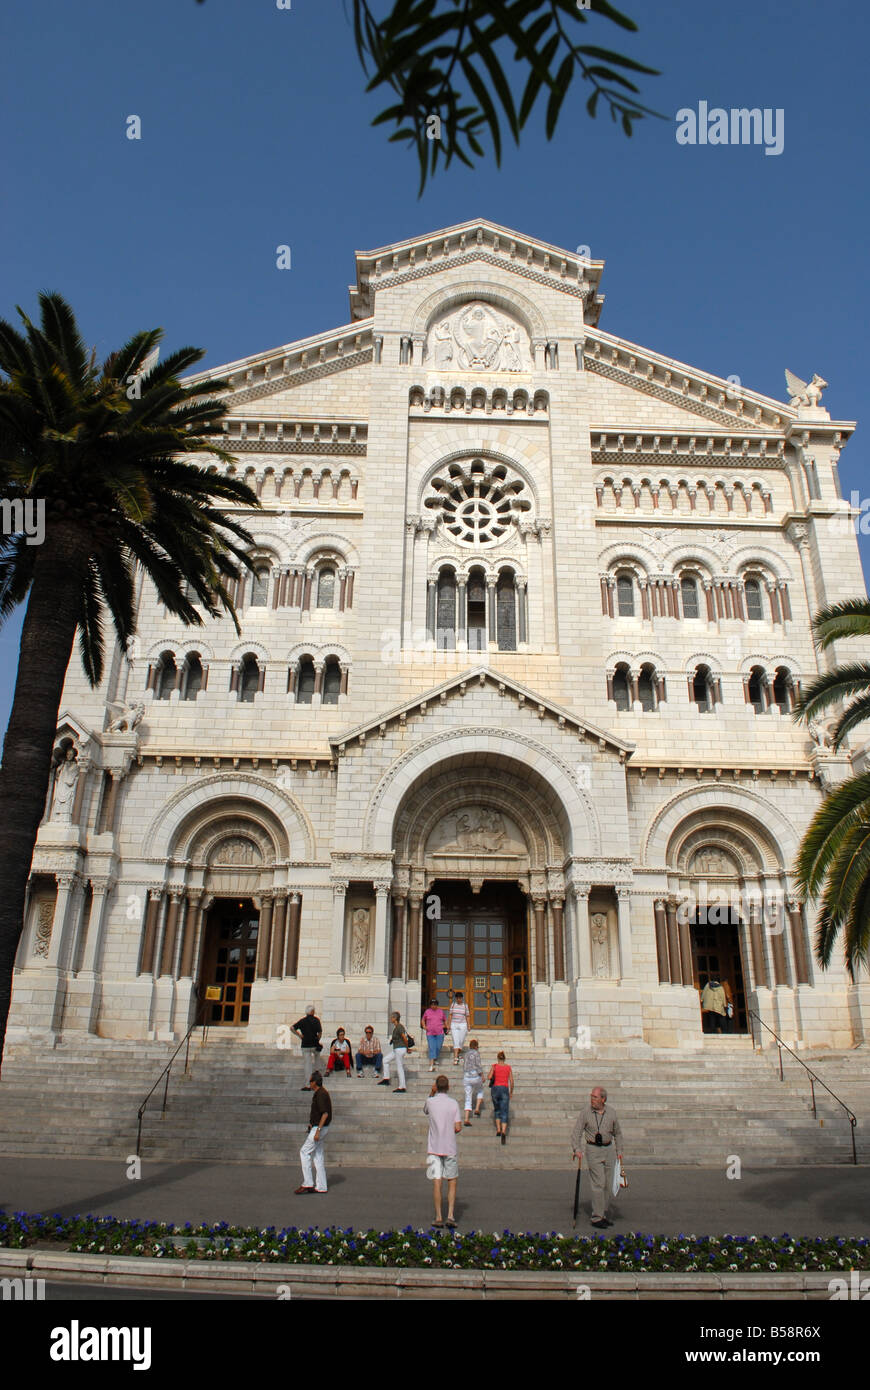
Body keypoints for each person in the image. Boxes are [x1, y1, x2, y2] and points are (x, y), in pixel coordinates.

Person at [571, 1085, 624, 1228]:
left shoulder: (611, 1113)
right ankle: (596, 1217)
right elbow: (576, 1132)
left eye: (595, 1097)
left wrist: (619, 1150)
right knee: (598, 1183)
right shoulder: (586, 1112)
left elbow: (618, 1133)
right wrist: (577, 1148)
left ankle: (602, 1213)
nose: (592, 1099)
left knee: (607, 1184)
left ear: (603, 1099)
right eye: (591, 1096)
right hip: (593, 1149)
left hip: (608, 1149)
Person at [423, 1074, 462, 1228]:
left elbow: (425, 1110)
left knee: (437, 1182)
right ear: (448, 1087)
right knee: (452, 1181)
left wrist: (431, 1092)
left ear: (436, 1086)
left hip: (434, 1147)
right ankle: (450, 1215)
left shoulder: (430, 1102)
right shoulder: (453, 1103)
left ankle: (439, 1216)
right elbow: (458, 1127)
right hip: (449, 1146)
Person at [295, 1070, 331, 1194]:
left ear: (315, 1082)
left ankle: (308, 1183)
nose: (309, 1083)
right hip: (320, 1127)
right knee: (318, 1155)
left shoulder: (321, 1094)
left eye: (310, 1081)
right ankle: (321, 1186)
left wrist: (317, 1131)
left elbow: (325, 1114)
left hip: (319, 1128)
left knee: (304, 1152)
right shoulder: (321, 1092)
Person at [291, 1005, 322, 1091]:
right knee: (317, 1056)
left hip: (305, 1044)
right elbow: (320, 1032)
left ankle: (308, 1085)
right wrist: (317, 1040)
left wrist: (299, 1035)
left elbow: (292, 1028)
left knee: (307, 1065)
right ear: (312, 1012)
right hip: (314, 1044)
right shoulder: (316, 1020)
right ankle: (317, 1072)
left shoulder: (302, 1021)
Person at [487, 1050, 513, 1144]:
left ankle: (498, 1129)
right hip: (504, 1089)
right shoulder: (508, 1067)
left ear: (498, 1058)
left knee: (497, 1109)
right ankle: (503, 1131)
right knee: (504, 1111)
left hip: (495, 1089)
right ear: (504, 1058)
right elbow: (512, 1081)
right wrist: (511, 1092)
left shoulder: (494, 1066)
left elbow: (489, 1077)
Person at [382, 1011, 409, 1092]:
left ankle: (402, 1086)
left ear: (395, 1018)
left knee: (399, 1067)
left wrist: (407, 1048)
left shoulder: (399, 1027)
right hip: (396, 1049)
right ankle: (386, 1078)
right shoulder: (396, 1027)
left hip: (400, 1049)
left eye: (392, 1017)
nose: (391, 1019)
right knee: (385, 1060)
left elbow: (404, 1038)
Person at [421, 997, 447, 1072]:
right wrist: (424, 1026)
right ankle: (431, 1065)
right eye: (432, 1004)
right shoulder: (427, 1011)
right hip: (430, 1033)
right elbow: (423, 1019)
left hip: (440, 1033)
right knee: (432, 1047)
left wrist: (446, 1026)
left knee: (438, 1047)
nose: (433, 1006)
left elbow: (445, 1020)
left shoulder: (441, 1011)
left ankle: (435, 1058)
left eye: (435, 1004)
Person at [462, 1038, 484, 1124]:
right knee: (480, 1090)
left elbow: (464, 1065)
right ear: (476, 1047)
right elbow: (478, 1065)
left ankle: (466, 1118)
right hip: (475, 1075)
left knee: (468, 1097)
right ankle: (477, 1108)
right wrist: (482, 1075)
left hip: (467, 1076)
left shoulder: (466, 1054)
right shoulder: (476, 1053)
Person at [448, 991, 470, 1064]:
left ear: (462, 998)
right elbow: (450, 1015)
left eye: (460, 998)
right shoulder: (453, 1005)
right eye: (457, 998)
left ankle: (458, 1053)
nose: (458, 999)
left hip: (463, 1024)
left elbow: (467, 1016)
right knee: (456, 1040)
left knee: (461, 1040)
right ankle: (455, 1058)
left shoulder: (465, 1006)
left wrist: (468, 1025)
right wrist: (448, 1025)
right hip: (454, 1024)